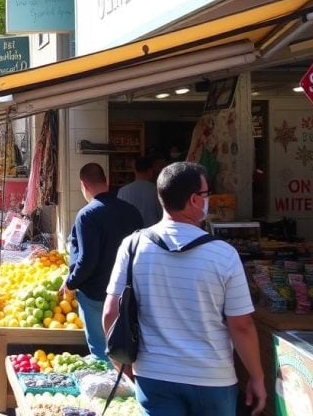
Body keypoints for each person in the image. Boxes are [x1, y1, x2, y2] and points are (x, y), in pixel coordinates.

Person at [103, 162, 266, 416]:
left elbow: (110, 313)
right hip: (213, 379)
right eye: (206, 194)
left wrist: (123, 365)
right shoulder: (224, 255)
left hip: (154, 375)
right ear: (194, 200)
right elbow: (241, 325)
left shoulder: (132, 246)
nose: (208, 199)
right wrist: (256, 377)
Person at [62, 163, 143, 362]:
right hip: (128, 292)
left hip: (95, 293)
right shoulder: (132, 212)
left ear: (83, 185)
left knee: (101, 351)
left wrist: (71, 283)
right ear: (106, 181)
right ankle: (126, 387)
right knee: (127, 349)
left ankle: (109, 391)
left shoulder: (87, 215)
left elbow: (87, 260)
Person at [116, 156, 163, 228]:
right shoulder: (157, 191)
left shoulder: (122, 191)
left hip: (129, 234)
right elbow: (162, 216)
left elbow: (119, 217)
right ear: (150, 171)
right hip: (151, 235)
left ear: (135, 170)